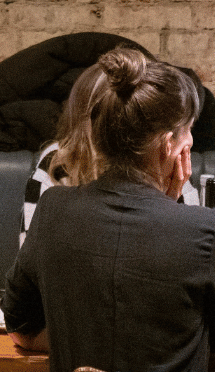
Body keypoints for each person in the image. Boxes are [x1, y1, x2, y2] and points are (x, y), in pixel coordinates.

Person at [1, 47, 215, 372]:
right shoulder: (204, 233)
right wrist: (173, 206)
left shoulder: (54, 213)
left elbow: (19, 327)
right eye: (187, 133)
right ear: (168, 147)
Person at [21, 59, 200, 248]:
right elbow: (39, 262)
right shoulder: (57, 165)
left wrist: (167, 202)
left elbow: (185, 258)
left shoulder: (166, 159)